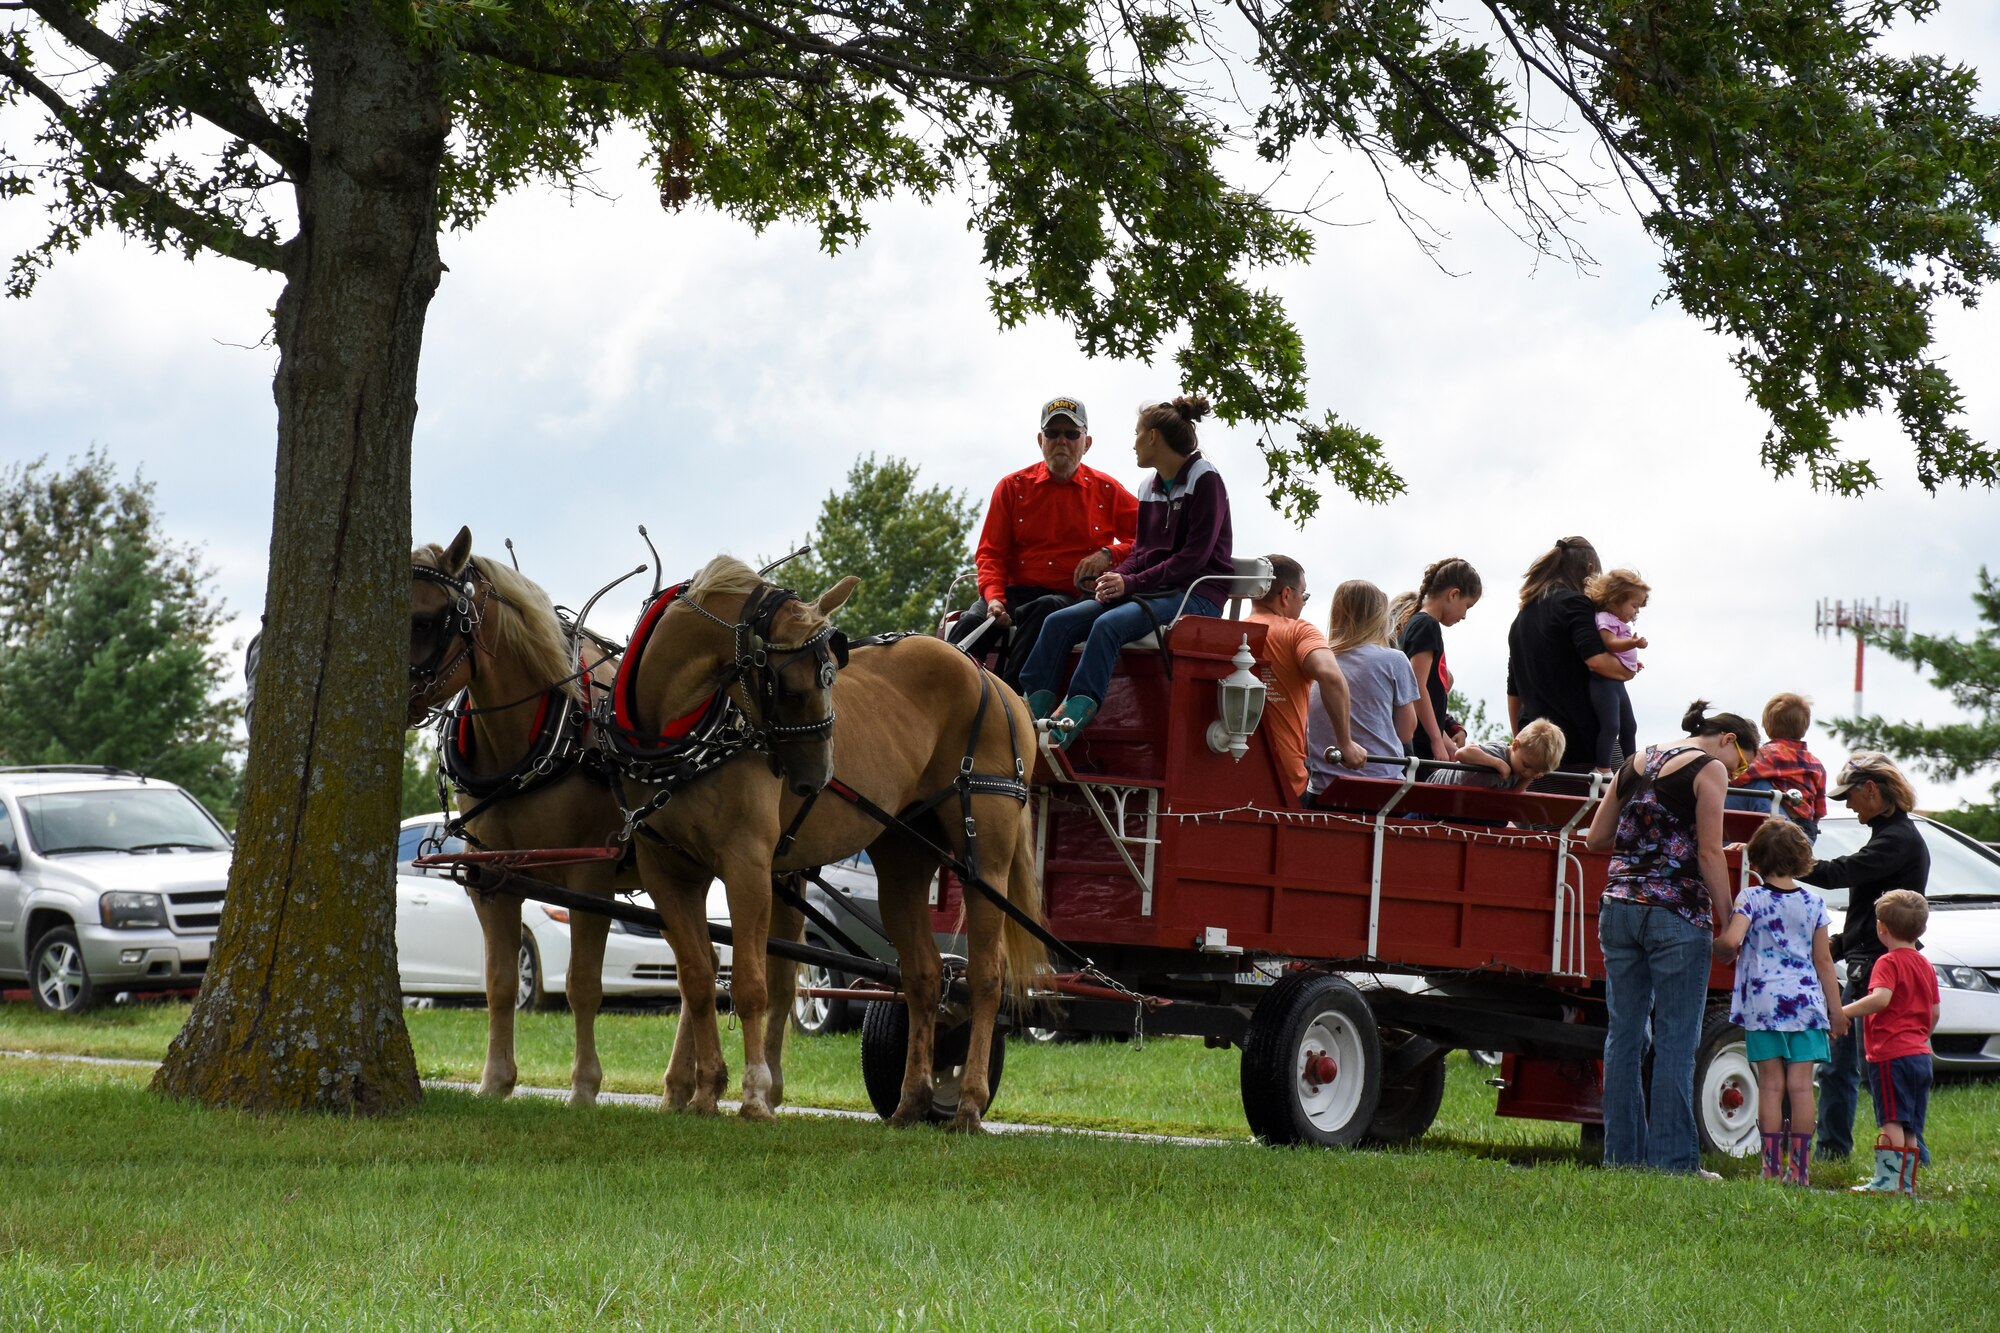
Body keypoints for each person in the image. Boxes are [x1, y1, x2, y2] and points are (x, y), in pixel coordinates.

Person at [1584, 700, 1760, 1174]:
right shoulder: (1710, 770)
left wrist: (1651, 845)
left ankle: (1621, 1158)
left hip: (1619, 908)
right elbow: (1706, 854)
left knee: (1623, 1037)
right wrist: (1729, 923)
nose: (1737, 774)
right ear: (1728, 739)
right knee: (1677, 1040)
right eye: (1741, 763)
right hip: (1676, 915)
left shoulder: (1637, 760)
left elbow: (1595, 839)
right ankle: (1673, 1162)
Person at [1019, 395, 1233, 747]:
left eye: (1137, 434)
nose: (1132, 444)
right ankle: (1031, 714)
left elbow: (1193, 560)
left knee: (1107, 626)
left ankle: (1069, 722)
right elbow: (1142, 550)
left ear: (1152, 437)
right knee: (1057, 623)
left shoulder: (1205, 480)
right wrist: (1116, 579)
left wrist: (1130, 581)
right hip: (1155, 590)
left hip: (1195, 595)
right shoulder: (1148, 486)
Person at [948, 396, 1140, 687]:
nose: (1061, 440)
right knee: (971, 624)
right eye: (1053, 433)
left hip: (1070, 596)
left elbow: (1149, 540)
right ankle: (941, 702)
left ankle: (1012, 705)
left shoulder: (1107, 490)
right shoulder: (1012, 487)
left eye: (1071, 434)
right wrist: (995, 599)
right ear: (1041, 440)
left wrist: (1109, 553)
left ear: (1086, 443)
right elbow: (991, 554)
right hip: (1012, 593)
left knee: (1045, 609)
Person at [1803, 751, 1931, 1162]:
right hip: (1869, 962)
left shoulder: (1895, 840)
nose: (1847, 804)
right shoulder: (1890, 837)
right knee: (1856, 1069)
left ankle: (1869, 1156)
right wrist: (1836, 946)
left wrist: (1786, 861)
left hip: (1878, 971)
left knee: (1872, 1070)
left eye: (1850, 796)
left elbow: (1841, 872)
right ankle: (1891, 1159)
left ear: (1871, 789)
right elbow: (1864, 917)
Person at [1711, 819, 1847, 1185]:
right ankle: (1798, 1171)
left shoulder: (1751, 898)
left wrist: (1718, 946)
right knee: (1801, 1087)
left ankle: (1770, 1169)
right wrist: (1835, 1011)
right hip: (1806, 1005)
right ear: (1803, 860)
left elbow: (1733, 940)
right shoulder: (1814, 903)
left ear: (1755, 859)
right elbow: (1823, 961)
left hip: (1764, 1005)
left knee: (1771, 1086)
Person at [1838, 888, 1940, 1195]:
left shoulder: (1887, 962)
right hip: (1920, 1055)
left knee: (1892, 1120)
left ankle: (1888, 1182)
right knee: (1909, 1125)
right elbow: (1934, 1012)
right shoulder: (1925, 965)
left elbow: (1881, 999)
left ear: (1881, 928)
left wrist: (1844, 1012)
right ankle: (1904, 1183)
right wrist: (1921, 1036)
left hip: (1890, 1055)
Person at [1507, 537, 1634, 775]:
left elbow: (1513, 692)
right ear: (1589, 570)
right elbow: (1596, 660)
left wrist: (1522, 739)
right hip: (1583, 745)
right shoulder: (1576, 604)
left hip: (1538, 751)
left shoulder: (1521, 618)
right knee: (1619, 799)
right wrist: (1629, 670)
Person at [1248, 558, 1363, 799]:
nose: (1303, 603)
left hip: (1234, 774)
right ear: (1286, 595)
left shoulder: (1231, 632)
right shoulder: (1298, 630)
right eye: (1304, 595)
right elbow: (1331, 676)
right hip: (1284, 779)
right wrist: (1346, 743)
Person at [1302, 580, 1407, 793]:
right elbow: (1406, 731)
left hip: (1323, 787)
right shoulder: (1394, 660)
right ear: (1379, 617)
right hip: (1382, 785)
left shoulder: (1316, 660)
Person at [1394, 558, 1482, 763]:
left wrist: (1445, 739)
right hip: (1419, 747)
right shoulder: (1427, 625)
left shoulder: (1418, 623)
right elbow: (1416, 687)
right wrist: (1436, 740)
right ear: (1454, 594)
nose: (1464, 616)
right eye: (1467, 606)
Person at [1724, 693, 1828, 838]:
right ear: (1805, 728)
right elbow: (1820, 810)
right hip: (1807, 832)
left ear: (1766, 728)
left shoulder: (1768, 754)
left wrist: (1723, 783)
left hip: (1782, 830)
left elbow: (1742, 779)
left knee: (1752, 786)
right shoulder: (1817, 764)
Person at [1583, 568, 1650, 773]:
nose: (1635, 612)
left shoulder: (1617, 621)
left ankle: (1630, 769)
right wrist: (1633, 643)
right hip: (1604, 683)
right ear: (1615, 599)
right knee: (1611, 726)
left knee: (1630, 727)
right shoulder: (1605, 618)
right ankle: (1603, 767)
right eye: (1633, 605)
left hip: (1617, 683)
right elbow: (1610, 643)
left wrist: (1632, 663)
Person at [1423, 719, 1566, 790]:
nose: (1527, 772)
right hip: (1440, 788)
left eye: (1536, 772)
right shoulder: (1498, 752)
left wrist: (1528, 778)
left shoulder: (1523, 772)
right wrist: (1497, 763)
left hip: (1465, 802)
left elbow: (1513, 797)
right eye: (1526, 765)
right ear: (1515, 745)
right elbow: (1462, 753)